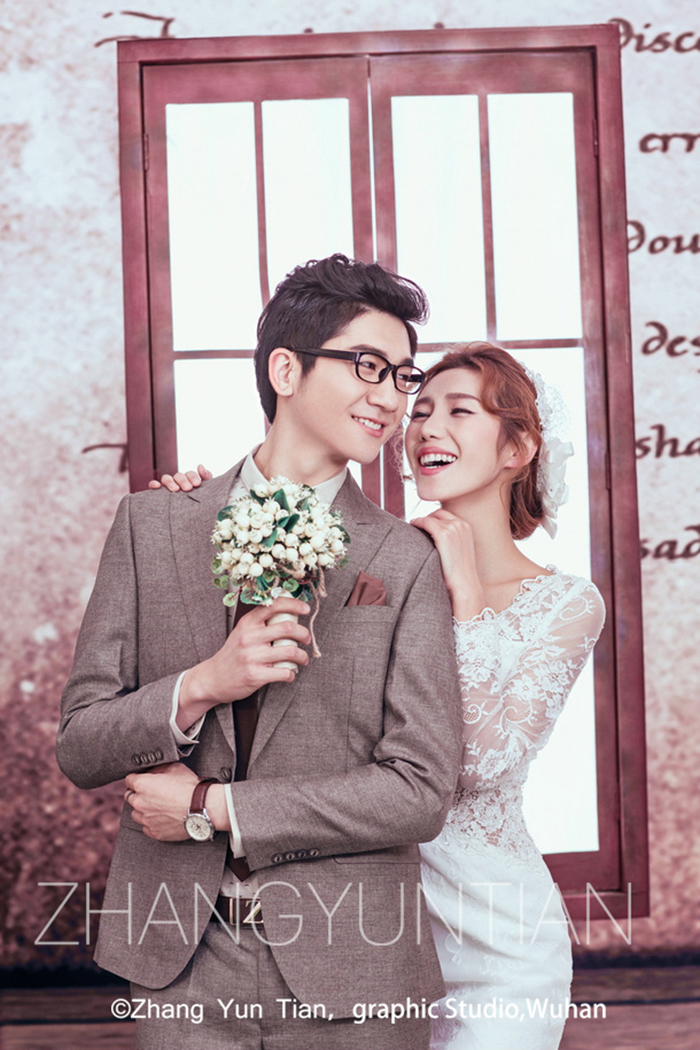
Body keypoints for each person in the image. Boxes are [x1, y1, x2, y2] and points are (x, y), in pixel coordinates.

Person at [57, 254, 463, 1050]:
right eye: (367, 366)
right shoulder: (152, 525)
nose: (390, 397)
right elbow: (80, 744)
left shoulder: (406, 558)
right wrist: (203, 684)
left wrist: (214, 809)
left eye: (401, 376)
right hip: (176, 962)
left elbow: (420, 790)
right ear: (285, 370)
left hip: (355, 966)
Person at [406, 344, 605, 1050]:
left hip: (502, 946)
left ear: (517, 449)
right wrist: (199, 510)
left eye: (460, 411)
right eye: (420, 411)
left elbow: (483, 764)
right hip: (373, 935)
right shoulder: (378, 575)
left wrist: (464, 596)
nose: (428, 428)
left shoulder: (567, 603)